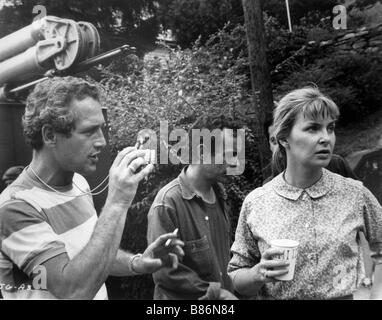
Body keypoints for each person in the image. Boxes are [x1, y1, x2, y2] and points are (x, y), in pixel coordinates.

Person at [0, 76, 184, 299]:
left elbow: (90, 253)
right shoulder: (15, 207)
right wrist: (117, 202)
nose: (102, 141)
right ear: (50, 135)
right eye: (89, 131)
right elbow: (73, 291)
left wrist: (137, 262)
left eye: (101, 129)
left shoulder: (79, 183)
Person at [228, 87, 382, 300]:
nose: (326, 138)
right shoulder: (257, 202)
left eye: (330, 128)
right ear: (283, 138)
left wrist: (377, 293)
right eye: (312, 129)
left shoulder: (354, 193)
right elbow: (236, 275)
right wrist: (258, 274)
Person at [147, 116, 240, 300]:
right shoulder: (168, 203)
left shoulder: (220, 195)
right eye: (230, 154)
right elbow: (164, 272)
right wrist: (219, 294)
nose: (236, 163)